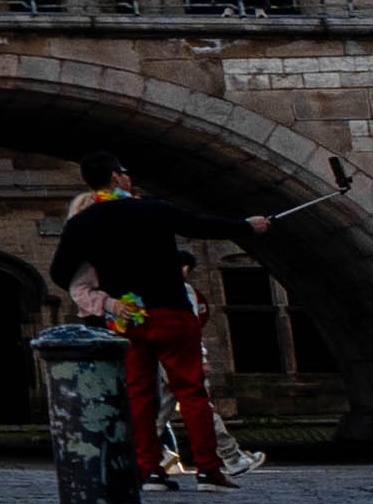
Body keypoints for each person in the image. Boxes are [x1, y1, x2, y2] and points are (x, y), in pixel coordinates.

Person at [56, 179, 250, 486]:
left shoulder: (91, 232)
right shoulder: (147, 217)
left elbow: (64, 275)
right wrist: (248, 226)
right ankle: (207, 469)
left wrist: (109, 302)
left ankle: (149, 469)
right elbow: (197, 224)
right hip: (163, 314)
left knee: (140, 395)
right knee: (189, 392)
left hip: (132, 323)